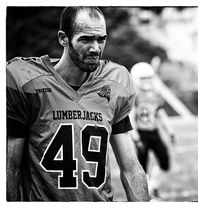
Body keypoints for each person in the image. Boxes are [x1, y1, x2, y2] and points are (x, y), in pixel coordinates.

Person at [6, 6, 149, 201]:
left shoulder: (114, 83)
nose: (95, 48)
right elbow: (9, 167)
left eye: (101, 39)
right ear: (63, 38)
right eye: (86, 39)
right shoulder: (28, 82)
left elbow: (131, 168)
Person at [129, 62, 176, 200]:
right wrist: (135, 136)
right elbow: (130, 117)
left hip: (154, 132)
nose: (147, 81)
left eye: (149, 78)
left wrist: (170, 131)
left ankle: (153, 187)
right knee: (142, 168)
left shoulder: (156, 94)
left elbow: (160, 114)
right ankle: (146, 194)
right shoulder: (134, 95)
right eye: (143, 78)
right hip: (141, 135)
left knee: (164, 162)